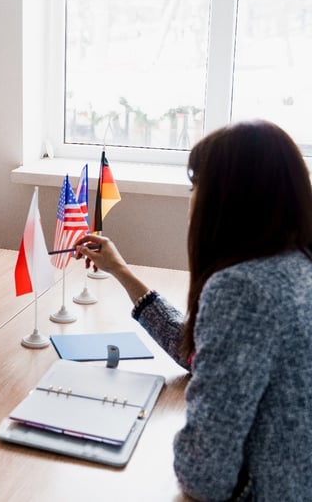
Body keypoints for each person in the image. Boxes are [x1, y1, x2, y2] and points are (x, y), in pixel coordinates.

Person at [75, 120, 312, 501]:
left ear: (226, 198)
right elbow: (197, 353)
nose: (191, 199)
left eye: (194, 186)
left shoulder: (242, 289)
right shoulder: (296, 267)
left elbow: (203, 473)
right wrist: (121, 270)